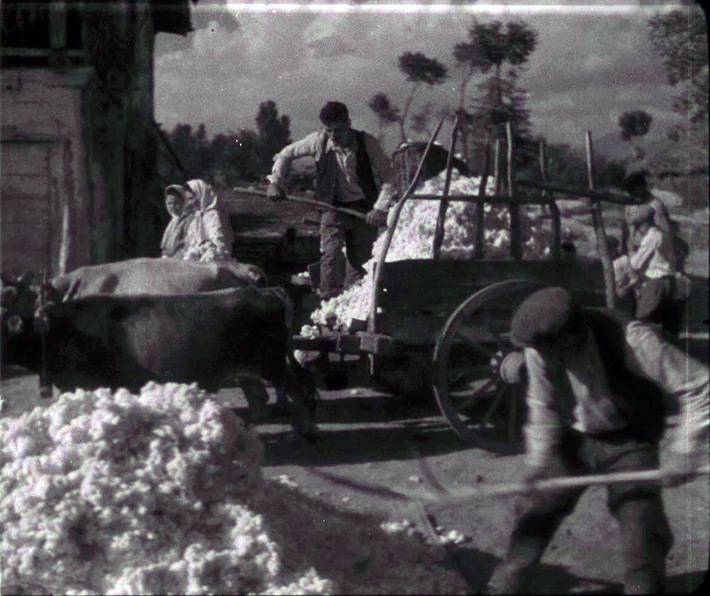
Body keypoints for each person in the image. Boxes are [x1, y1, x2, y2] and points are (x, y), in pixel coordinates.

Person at [486, 287, 708, 595]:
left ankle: (644, 588)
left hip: (630, 439)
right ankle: (506, 585)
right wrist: (538, 463)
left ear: (570, 339)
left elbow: (700, 386)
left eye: (553, 350)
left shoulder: (632, 340)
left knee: (641, 527)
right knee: (535, 510)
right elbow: (542, 405)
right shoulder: (541, 350)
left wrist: (684, 449)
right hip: (573, 438)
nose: (542, 356)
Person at [266, 101, 397, 300]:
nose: (333, 136)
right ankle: (327, 301)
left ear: (348, 124)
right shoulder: (318, 141)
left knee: (360, 262)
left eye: (338, 130)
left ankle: (354, 304)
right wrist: (275, 182)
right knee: (331, 253)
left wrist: (379, 209)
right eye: (329, 130)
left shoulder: (366, 142)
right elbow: (286, 154)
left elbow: (390, 177)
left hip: (362, 210)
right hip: (332, 207)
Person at [624, 203, 685, 337]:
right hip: (668, 281)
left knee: (643, 320)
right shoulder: (663, 235)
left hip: (656, 282)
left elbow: (635, 264)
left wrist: (630, 249)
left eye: (638, 226)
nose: (637, 230)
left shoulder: (652, 237)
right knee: (660, 324)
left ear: (643, 224)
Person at [182, 179, 235, 263]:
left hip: (213, 261)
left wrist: (200, 252)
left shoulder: (213, 216)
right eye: (187, 199)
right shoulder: (197, 217)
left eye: (191, 198)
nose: (189, 203)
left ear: (202, 196)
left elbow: (218, 245)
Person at [160, 184, 193, 259]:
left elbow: (187, 245)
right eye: (170, 203)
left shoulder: (189, 220)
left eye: (177, 203)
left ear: (184, 202)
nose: (173, 207)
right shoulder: (173, 221)